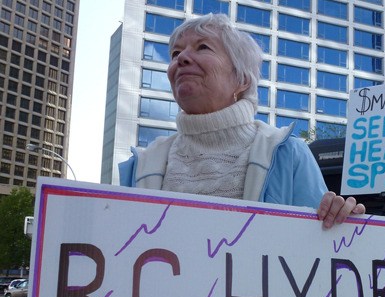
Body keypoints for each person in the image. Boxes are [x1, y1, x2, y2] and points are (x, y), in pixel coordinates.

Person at [119, 13, 364, 228]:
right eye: (175, 53)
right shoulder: (139, 166)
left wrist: (341, 220)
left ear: (242, 79)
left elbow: (319, 248)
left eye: (202, 47)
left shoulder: (287, 152)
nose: (181, 58)